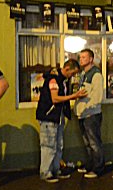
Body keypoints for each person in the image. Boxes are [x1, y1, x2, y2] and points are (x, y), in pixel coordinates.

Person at [36, 59, 87, 182]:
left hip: (58, 117)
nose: (73, 76)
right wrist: (74, 96)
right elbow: (55, 98)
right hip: (49, 117)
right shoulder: (54, 79)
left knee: (58, 145)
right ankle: (46, 172)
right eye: (72, 73)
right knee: (49, 146)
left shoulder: (62, 80)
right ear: (67, 68)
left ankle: (55, 170)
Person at [74, 49, 105, 179]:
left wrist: (86, 108)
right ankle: (91, 165)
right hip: (82, 114)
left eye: (84, 57)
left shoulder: (96, 75)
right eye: (80, 57)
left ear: (91, 59)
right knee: (87, 143)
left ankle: (98, 168)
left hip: (91, 114)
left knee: (94, 143)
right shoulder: (83, 74)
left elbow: (97, 96)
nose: (81, 59)